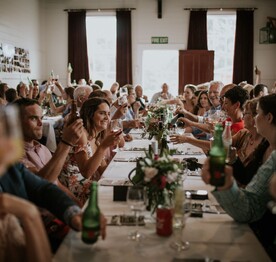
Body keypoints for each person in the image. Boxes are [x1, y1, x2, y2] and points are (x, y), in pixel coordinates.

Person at [201, 93, 276, 260]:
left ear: (269, 117)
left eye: (257, 113)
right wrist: (233, 161)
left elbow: (250, 207)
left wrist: (226, 186)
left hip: (264, 238)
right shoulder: (266, 146)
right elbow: (251, 181)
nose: (254, 118)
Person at [59, 97, 122, 206]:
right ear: (90, 115)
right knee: (117, 197)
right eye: (102, 113)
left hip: (89, 184)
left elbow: (103, 170)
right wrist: (104, 146)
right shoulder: (81, 134)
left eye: (108, 113)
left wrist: (121, 176)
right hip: (73, 189)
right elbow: (86, 173)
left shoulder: (95, 137)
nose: (107, 117)